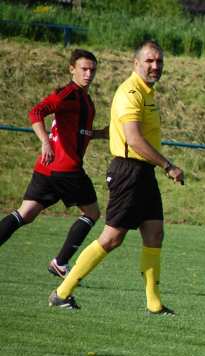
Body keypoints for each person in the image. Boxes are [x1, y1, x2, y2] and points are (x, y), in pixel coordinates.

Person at [49, 39, 185, 314]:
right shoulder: (130, 91)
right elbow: (133, 139)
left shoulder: (148, 93)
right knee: (112, 238)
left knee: (154, 234)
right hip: (129, 171)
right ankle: (62, 293)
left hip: (143, 172)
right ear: (136, 63)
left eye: (159, 61)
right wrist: (168, 166)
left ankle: (154, 303)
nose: (155, 66)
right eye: (149, 61)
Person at [0, 49, 107, 276]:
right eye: (84, 69)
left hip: (46, 169)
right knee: (92, 213)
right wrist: (45, 142)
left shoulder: (84, 99)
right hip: (66, 169)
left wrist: (100, 134)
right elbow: (36, 112)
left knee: (26, 213)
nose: (89, 74)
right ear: (72, 69)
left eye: (92, 70)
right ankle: (60, 262)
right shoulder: (68, 94)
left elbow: (78, 132)